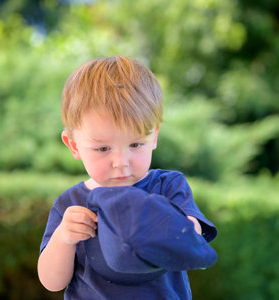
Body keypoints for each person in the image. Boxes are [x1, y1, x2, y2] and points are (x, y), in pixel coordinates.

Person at [37, 56, 217, 299]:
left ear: (154, 137)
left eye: (135, 144)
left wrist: (164, 223)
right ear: (74, 145)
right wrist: (64, 238)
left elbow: (194, 238)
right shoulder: (71, 205)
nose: (121, 162)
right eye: (103, 149)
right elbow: (52, 282)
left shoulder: (166, 187)